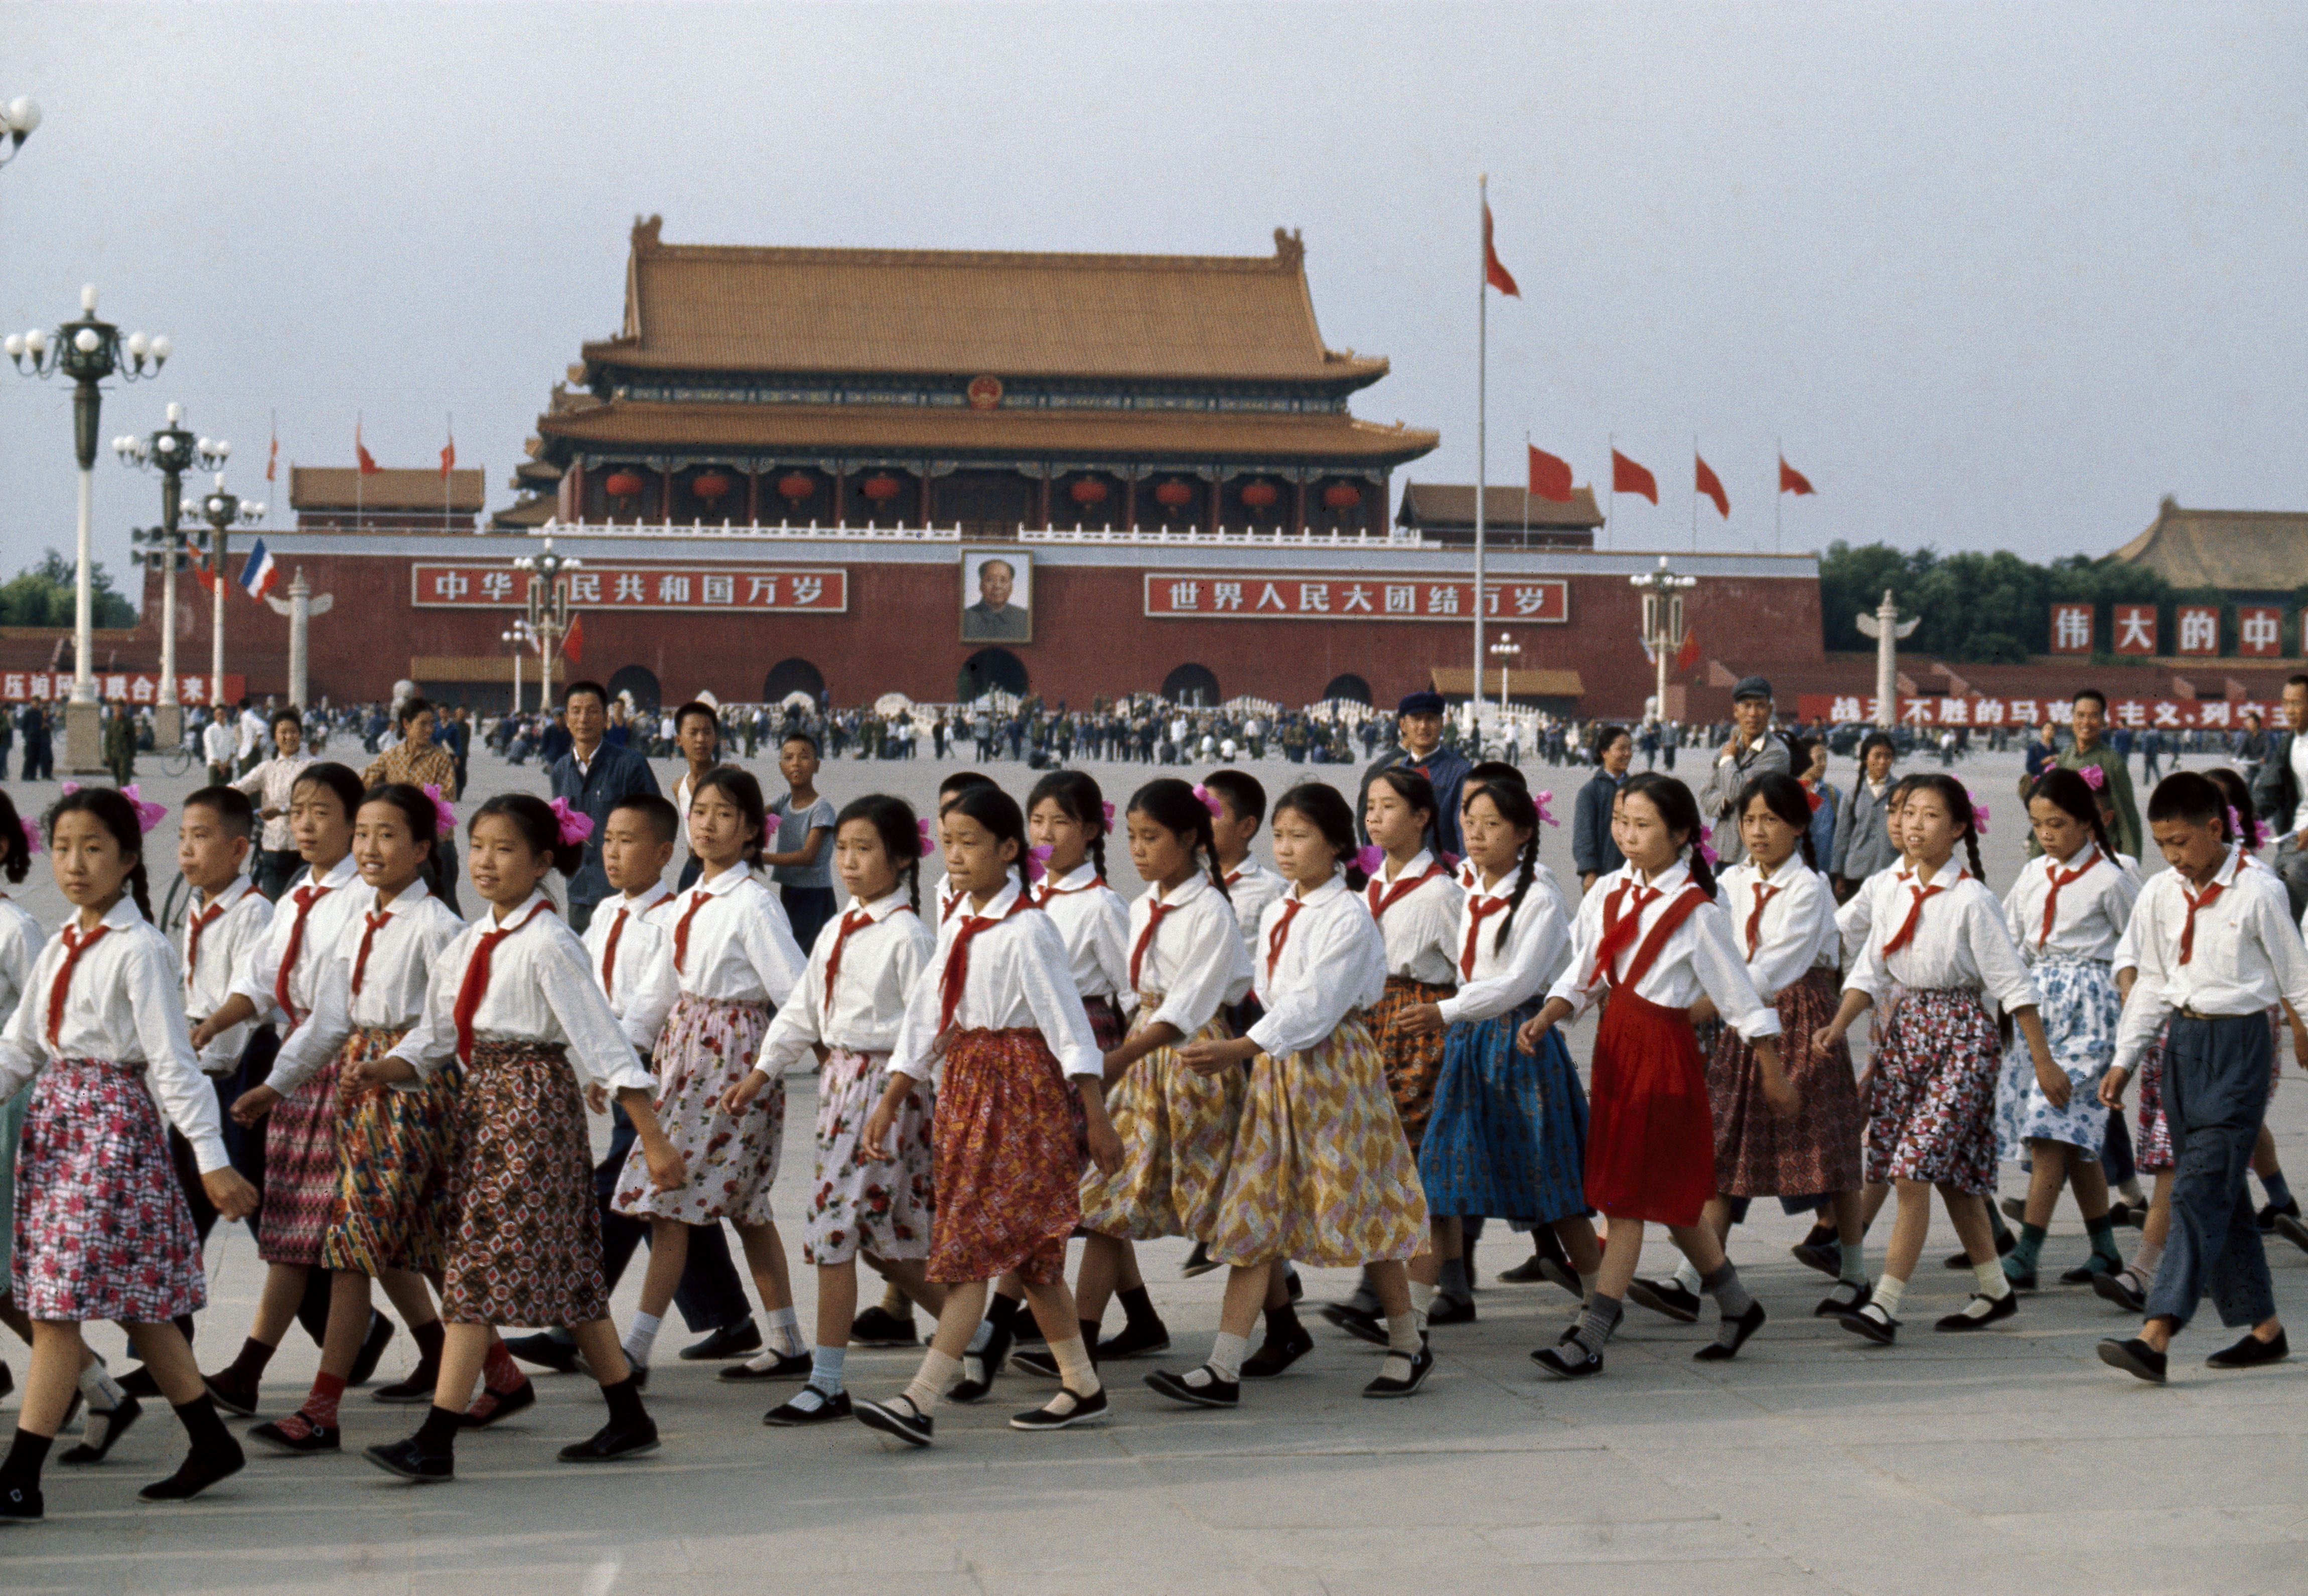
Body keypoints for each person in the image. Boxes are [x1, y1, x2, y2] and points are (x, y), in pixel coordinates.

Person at [360, 793, 682, 1480]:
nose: (486, 862)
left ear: (541, 862)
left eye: (505, 850)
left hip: (533, 1108)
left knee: (475, 1267)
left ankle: (436, 1438)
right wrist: (389, 1067)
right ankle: (628, 1416)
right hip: (484, 1105)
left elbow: (602, 1040)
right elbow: (439, 1032)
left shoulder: (549, 941)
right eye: (478, 846)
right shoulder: (473, 939)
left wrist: (651, 1137)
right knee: (570, 1272)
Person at [0, 785, 261, 1519]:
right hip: (57, 1132)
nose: (75, 864)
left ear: (124, 858)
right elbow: (20, 1047)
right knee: (136, 1307)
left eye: (92, 848)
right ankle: (211, 1441)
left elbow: (172, 1062)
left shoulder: (140, 949)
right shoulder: (60, 942)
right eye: (62, 848)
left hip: (111, 1134)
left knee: (56, 1311)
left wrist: (211, 1157)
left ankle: (21, 1475)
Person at [848, 784, 1122, 1445]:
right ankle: (1082, 1384)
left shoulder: (1029, 928)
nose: (958, 856)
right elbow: (931, 1015)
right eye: (949, 843)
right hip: (970, 1092)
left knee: (972, 1247)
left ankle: (921, 1397)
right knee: (1028, 1254)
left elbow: (1065, 1022)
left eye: (971, 843)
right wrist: (892, 1095)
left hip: (1023, 1096)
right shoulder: (960, 921)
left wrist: (1096, 1111)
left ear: (1008, 849)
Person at [1147, 783, 1436, 1408]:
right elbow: (1266, 990)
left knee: (1367, 1208)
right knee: (1255, 1209)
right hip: (1279, 1071)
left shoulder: (1348, 914)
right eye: (1279, 835)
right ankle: (1223, 1365)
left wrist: (1237, 1050)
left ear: (1336, 845)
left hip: (1335, 1071)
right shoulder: (1281, 908)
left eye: (1299, 836)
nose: (1285, 848)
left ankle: (1408, 1341)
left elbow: (1316, 1004)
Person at [1519, 774, 1793, 1376]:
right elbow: (1585, 970)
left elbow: (1738, 996)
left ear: (1680, 836)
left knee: (1626, 1203)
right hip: (1617, 1050)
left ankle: (1591, 1333)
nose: (1628, 836)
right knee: (1672, 1204)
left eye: (1643, 826)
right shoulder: (1609, 892)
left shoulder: (1697, 911)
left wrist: (1771, 1069)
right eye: (1622, 822)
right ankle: (1738, 1305)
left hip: (1664, 1057)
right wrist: (1550, 1013)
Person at [230, 784, 467, 1453]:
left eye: (387, 834)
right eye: (362, 833)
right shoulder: (358, 919)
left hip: (411, 1094)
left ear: (423, 849)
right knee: (417, 1244)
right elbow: (330, 1020)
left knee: (351, 1249)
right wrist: (277, 1086)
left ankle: (322, 1409)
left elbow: (444, 1028)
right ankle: (502, 1376)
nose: (369, 847)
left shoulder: (437, 926)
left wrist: (391, 1066)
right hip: (360, 1085)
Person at [507, 792, 760, 1376]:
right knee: (666, 1198)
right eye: (608, 840)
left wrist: (623, 1064)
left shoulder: (674, 916)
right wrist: (598, 1064)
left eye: (628, 841)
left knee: (617, 1193)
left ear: (665, 852)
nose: (613, 853)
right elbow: (586, 993)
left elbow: (657, 999)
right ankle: (729, 1315)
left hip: (655, 1067)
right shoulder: (603, 915)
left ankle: (572, 1322)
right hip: (616, 1059)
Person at [725, 794, 943, 1426]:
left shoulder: (908, 935)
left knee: (839, 1233)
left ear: (901, 858)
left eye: (864, 848)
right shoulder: (840, 925)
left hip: (885, 1091)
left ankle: (826, 1380)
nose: (848, 861)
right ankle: (974, 1329)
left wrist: (894, 1100)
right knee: (875, 1236)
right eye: (842, 848)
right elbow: (801, 1007)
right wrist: (764, 1068)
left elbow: (929, 1030)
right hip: (841, 1085)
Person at [1815, 774, 2051, 1345]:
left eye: (1929, 815)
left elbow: (2012, 987)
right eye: (1907, 813)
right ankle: (1995, 1289)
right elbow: (1869, 971)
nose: (1913, 825)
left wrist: (2042, 1063)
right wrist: (1838, 1026)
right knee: (1956, 1182)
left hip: (1961, 1040)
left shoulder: (1973, 899)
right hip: (1905, 1036)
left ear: (1959, 828)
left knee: (1911, 1170)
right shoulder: (1892, 888)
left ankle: (1883, 1304)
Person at [192, 764, 389, 1414]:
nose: (304, 824)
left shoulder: (366, 896)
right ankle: (455, 1354)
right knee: (298, 1229)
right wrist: (210, 1026)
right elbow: (261, 980)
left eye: (321, 812)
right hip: (295, 1064)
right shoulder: (300, 890)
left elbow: (335, 1013)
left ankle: (268, 1374)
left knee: (336, 1235)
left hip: (340, 1071)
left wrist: (275, 1083)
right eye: (296, 811)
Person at [2095, 772, 2303, 1382]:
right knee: (2221, 1194)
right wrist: (2123, 1058)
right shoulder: (2162, 891)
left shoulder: (2260, 892)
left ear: (2216, 829)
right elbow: (2154, 981)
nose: (2173, 856)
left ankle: (2156, 1332)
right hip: (2181, 1047)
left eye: (2182, 842)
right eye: (2162, 844)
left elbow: (2297, 980)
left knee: (2194, 1190)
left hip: (2240, 1047)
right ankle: (2263, 1329)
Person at [612, 768, 809, 1384]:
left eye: (726, 814)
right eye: (700, 811)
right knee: (745, 1208)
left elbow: (796, 994)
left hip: (731, 1065)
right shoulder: (690, 899)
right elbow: (656, 992)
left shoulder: (753, 904)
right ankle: (788, 1341)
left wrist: (764, 1071)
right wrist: (620, 1058)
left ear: (753, 830)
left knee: (674, 1204)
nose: (708, 823)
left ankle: (637, 1350)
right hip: (683, 1057)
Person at [1066, 779, 1252, 1385]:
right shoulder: (1143, 904)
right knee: (1105, 1201)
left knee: (1227, 1204)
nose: (1139, 850)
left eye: (1152, 838)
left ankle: (1271, 1325)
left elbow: (1188, 1008)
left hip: (1195, 1062)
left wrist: (1119, 1058)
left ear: (1191, 839)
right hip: (1143, 1059)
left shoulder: (1211, 911)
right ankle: (1082, 1345)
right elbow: (1135, 991)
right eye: (1132, 838)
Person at [1411, 777, 1601, 1337]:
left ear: (1523, 833)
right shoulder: (1467, 886)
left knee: (1553, 1187)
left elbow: (1518, 984)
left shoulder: (1539, 897)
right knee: (1438, 1183)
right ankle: (1412, 1316)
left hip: (1521, 1045)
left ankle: (1597, 1298)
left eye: (1491, 824)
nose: (1476, 834)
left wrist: (1444, 1011)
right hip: (1469, 1046)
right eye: (1470, 822)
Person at [1695, 774, 1868, 1320]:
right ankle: (1692, 1272)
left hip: (1801, 1019)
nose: (1757, 831)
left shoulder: (1810, 887)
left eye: (1771, 819)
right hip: (1742, 1019)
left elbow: (1780, 964)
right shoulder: (1731, 881)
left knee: (1829, 1148)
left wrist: (1716, 999)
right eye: (1748, 820)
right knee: (1724, 1143)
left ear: (1798, 825)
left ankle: (1855, 1269)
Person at [1995, 768, 2136, 1291]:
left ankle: (2027, 1249)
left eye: (2056, 823)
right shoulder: (2033, 875)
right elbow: (2007, 935)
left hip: (2091, 1010)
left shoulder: (2112, 879)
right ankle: (2103, 1248)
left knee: (2049, 1126)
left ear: (2088, 822)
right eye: (2037, 825)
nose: (2046, 835)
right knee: (2074, 1135)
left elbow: (2136, 944)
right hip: (2040, 1008)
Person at [1346, 768, 1468, 1329]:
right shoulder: (1368, 886)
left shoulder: (1442, 892)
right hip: (1372, 1028)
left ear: (1422, 816)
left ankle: (1406, 1306)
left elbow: (1469, 974)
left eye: (1388, 806)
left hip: (1420, 1029)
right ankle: (1393, 1291)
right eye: (1369, 806)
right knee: (1386, 1164)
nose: (1374, 817)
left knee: (1416, 1169)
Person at [547, 681, 661, 933]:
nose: (583, 719)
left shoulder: (631, 765)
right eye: (576, 711)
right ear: (566, 719)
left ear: (606, 719)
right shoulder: (560, 770)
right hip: (579, 892)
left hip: (625, 893)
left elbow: (657, 823)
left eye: (592, 711)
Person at [361, 697, 463, 915]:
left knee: (445, 906)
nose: (429, 729)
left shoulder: (440, 758)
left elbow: (447, 798)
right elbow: (364, 782)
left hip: (437, 846)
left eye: (431, 723)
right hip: (401, 847)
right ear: (406, 725)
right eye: (423, 724)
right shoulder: (391, 757)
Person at [1356, 691, 1472, 858]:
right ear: (1403, 725)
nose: (1423, 726)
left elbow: (1466, 833)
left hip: (1439, 875)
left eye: (1430, 719)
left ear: (1442, 724)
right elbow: (1372, 832)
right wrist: (1373, 875)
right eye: (1417, 719)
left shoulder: (1460, 773)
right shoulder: (1389, 774)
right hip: (1394, 876)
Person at [1698, 676, 1790, 867]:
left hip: (1755, 854)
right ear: (1736, 711)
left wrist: (1728, 761)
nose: (1753, 713)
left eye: (1760, 706)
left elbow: (1737, 791)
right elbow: (1707, 796)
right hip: (1724, 850)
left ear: (1770, 710)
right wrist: (1726, 801)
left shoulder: (1776, 754)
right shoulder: (1728, 749)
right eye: (1746, 706)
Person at [2045, 690, 2141, 862]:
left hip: (2101, 857)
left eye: (2093, 716)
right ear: (2072, 718)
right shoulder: (2065, 758)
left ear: (2103, 721)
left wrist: (2130, 868)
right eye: (2081, 715)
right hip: (2067, 855)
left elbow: (2128, 821)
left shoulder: (2112, 763)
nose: (2086, 722)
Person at [765, 733, 839, 952]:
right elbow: (751, 817)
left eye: (804, 757)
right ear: (781, 767)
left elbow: (808, 856)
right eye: (788, 757)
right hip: (789, 891)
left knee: (807, 956)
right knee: (793, 950)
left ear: (816, 766)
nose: (796, 763)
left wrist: (760, 857)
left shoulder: (821, 809)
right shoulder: (783, 802)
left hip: (815, 896)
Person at [234, 707, 317, 901]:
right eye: (283, 732)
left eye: (294, 731)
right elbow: (241, 786)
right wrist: (214, 796)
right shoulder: (267, 769)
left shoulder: (311, 766)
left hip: (302, 850)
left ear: (301, 734)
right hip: (273, 849)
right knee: (273, 905)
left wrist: (281, 811)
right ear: (274, 737)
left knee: (299, 908)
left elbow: (310, 802)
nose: (289, 737)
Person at [2248, 673, 2308, 918]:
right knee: (2276, 883)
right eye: (2286, 703)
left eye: (2297, 703)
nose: (2290, 710)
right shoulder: (2289, 743)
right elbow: (2269, 788)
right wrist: (2246, 819)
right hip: (2295, 835)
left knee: (2293, 875)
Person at [1830, 732, 1900, 903]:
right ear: (1865, 759)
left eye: (1888, 756)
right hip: (1856, 873)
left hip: (1890, 872)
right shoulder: (1852, 795)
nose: (1883, 762)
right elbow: (1842, 837)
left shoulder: (1901, 792)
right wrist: (1837, 875)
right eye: (1877, 756)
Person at [669, 700, 723, 892]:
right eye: (693, 733)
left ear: (715, 738)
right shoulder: (679, 786)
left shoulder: (729, 778)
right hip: (693, 869)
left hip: (722, 869)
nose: (701, 739)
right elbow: (689, 837)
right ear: (678, 740)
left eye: (707, 732)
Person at [1573, 725, 1631, 890]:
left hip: (1635, 873)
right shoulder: (1591, 792)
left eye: (1630, 748)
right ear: (1604, 753)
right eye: (1621, 749)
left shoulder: (1637, 789)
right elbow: (1583, 837)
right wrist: (1589, 872)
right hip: (1604, 875)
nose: (1628, 754)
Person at [961, 557, 1031, 641]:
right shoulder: (966, 618)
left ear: (1011, 587)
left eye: (1003, 580)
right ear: (981, 585)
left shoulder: (1025, 619)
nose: (997, 586)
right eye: (990, 580)